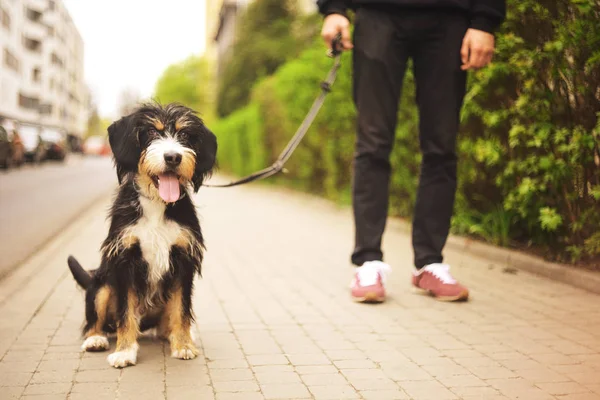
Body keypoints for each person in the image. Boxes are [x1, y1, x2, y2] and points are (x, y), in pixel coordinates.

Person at [317, 0, 506, 302]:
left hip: (449, 17)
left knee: (441, 146)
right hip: (377, 13)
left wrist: (485, 20)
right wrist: (334, 8)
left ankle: (430, 264)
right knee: (372, 145)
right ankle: (368, 263)